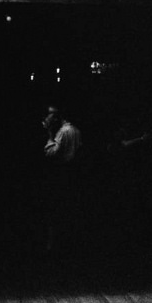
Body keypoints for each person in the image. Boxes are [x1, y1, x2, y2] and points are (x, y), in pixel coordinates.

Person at [40, 104, 83, 252]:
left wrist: (49, 134)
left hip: (61, 176)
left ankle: (52, 247)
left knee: (55, 211)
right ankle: (68, 246)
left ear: (57, 116)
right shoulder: (75, 130)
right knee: (67, 210)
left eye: (49, 115)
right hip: (71, 175)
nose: (46, 117)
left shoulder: (63, 132)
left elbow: (51, 153)